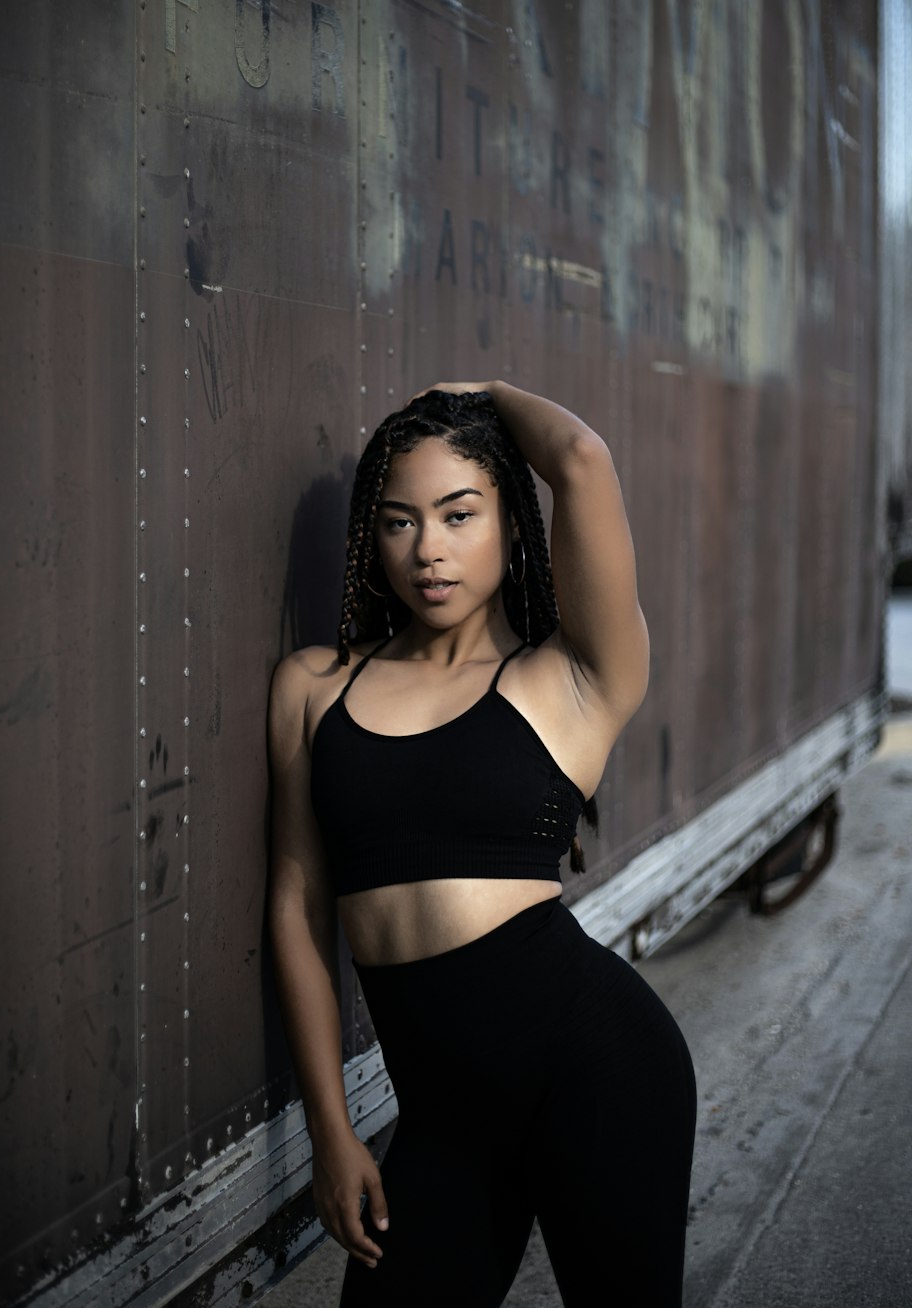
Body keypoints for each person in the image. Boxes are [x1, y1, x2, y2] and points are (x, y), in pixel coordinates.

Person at [267, 382, 697, 1307]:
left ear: (511, 516)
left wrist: (488, 394)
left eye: (460, 515)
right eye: (399, 521)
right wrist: (331, 1134)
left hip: (598, 1072)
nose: (428, 549)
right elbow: (298, 909)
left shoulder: (572, 677)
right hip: (443, 1121)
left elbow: (581, 460)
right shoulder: (313, 688)